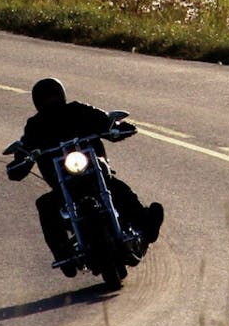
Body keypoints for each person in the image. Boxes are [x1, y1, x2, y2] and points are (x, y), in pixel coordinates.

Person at [15, 78, 162, 276]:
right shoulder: (34, 126)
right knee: (46, 206)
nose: (51, 102)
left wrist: (117, 128)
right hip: (63, 183)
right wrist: (20, 161)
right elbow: (24, 150)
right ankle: (63, 254)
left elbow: (104, 121)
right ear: (38, 102)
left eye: (53, 97)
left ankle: (146, 226)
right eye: (46, 99)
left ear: (61, 96)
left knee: (117, 188)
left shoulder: (78, 110)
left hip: (94, 173)